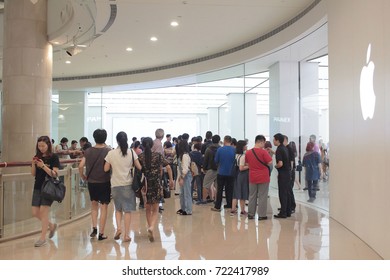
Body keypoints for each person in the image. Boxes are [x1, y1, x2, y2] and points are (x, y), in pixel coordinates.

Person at [104, 131, 142, 242]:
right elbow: (139, 167)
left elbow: (105, 169)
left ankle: (119, 228)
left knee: (118, 209)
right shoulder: (131, 152)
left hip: (115, 184)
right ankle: (126, 235)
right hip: (128, 184)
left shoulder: (111, 153)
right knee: (128, 211)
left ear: (117, 141)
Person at [138, 137, 173, 242]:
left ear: (143, 145)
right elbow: (168, 167)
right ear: (152, 145)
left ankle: (150, 227)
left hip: (145, 184)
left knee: (147, 208)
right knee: (155, 209)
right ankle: (152, 227)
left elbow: (138, 170)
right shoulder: (158, 156)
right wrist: (171, 179)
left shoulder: (140, 157)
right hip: (156, 183)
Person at [78, 129, 111, 240]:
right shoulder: (108, 151)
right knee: (104, 207)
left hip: (91, 182)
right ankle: (101, 233)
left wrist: (82, 176)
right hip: (104, 181)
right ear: (105, 138)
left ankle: (94, 228)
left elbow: (81, 166)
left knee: (94, 205)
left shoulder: (88, 151)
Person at [31, 136, 60, 247]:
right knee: (35, 212)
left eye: (43, 145)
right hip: (37, 186)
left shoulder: (54, 157)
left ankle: (42, 237)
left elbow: (55, 173)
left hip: (49, 187)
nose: (41, 148)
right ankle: (51, 226)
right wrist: (33, 164)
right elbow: (33, 174)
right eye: (39, 146)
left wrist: (43, 166)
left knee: (43, 212)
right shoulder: (36, 157)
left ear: (48, 145)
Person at [245, 135, 273, 220]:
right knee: (262, 196)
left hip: (252, 176)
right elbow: (270, 163)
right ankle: (261, 215)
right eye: (264, 143)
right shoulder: (263, 152)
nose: (264, 145)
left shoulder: (248, 152)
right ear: (260, 142)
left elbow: (247, 164)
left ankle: (250, 214)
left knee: (252, 196)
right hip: (263, 177)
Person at [212, 135, 235, 212]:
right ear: (231, 141)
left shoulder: (220, 150)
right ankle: (229, 204)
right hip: (231, 173)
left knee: (220, 190)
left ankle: (217, 206)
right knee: (230, 189)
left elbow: (216, 161)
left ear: (224, 141)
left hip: (221, 172)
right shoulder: (234, 150)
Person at [273, 133, 292, 219]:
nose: (273, 141)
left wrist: (275, 166)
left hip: (283, 174)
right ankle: (288, 211)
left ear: (277, 140)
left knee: (282, 193)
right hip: (287, 173)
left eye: (274, 140)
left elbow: (280, 163)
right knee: (287, 192)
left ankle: (283, 213)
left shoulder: (279, 149)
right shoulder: (285, 148)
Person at [231, 140, 249, 216]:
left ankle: (233, 209)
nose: (247, 146)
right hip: (242, 175)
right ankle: (242, 210)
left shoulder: (236, 155)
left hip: (236, 174)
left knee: (235, 192)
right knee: (243, 192)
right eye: (245, 145)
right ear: (243, 147)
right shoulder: (243, 156)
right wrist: (249, 166)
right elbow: (241, 168)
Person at [176, 138, 193, 215]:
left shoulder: (185, 156)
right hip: (183, 175)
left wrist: (182, 177)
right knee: (182, 193)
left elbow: (185, 169)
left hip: (186, 176)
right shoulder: (181, 156)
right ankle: (183, 208)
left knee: (187, 193)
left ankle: (188, 210)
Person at [202, 134, 220, 204]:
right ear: (219, 140)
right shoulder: (220, 148)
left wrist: (204, 168)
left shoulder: (209, 149)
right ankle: (216, 200)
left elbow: (205, 160)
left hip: (211, 169)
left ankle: (204, 200)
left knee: (205, 184)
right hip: (219, 170)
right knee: (217, 186)